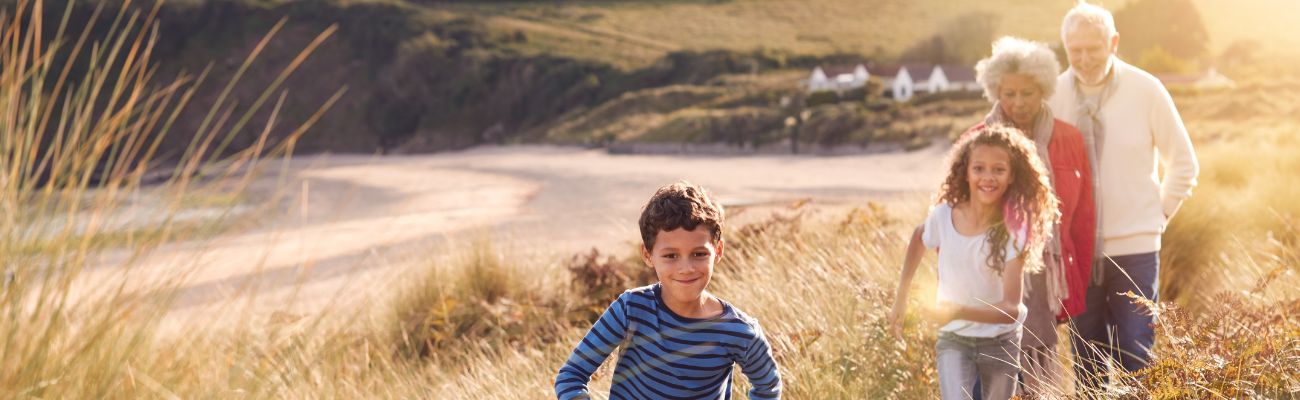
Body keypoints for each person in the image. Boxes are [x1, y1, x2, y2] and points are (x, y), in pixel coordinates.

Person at [1047, 2, 1200, 389]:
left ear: (1113, 42)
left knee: (1138, 358)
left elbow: (1184, 163)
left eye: (1093, 48)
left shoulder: (1146, 89)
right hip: (1077, 254)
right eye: (1075, 50)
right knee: (1087, 363)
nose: (1083, 58)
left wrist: (1157, 218)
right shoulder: (1054, 95)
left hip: (1136, 251)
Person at [554, 181, 782, 399]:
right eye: (671, 256)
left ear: (718, 251)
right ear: (647, 255)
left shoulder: (739, 331)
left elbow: (768, 387)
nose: (686, 268)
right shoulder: (631, 309)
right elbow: (571, 376)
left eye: (699, 254)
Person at [890, 125, 1060, 400]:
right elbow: (920, 236)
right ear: (966, 171)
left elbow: (1010, 310)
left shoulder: (1012, 231)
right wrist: (902, 295)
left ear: (1012, 175)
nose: (987, 177)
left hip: (1000, 342)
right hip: (954, 339)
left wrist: (958, 311)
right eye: (979, 168)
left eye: (998, 169)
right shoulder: (944, 216)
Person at [971, 36, 1097, 397]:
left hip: (1047, 279)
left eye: (1027, 93)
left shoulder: (1068, 139)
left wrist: (1075, 278)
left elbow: (1083, 219)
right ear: (996, 91)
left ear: (1042, 89)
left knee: (1040, 371)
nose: (1017, 102)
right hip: (989, 280)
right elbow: (953, 217)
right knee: (993, 370)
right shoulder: (977, 141)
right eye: (1008, 93)